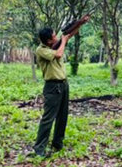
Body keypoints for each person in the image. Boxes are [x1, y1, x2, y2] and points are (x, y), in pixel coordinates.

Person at [32, 15, 90, 157]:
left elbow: (68, 35)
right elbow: (58, 54)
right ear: (48, 40)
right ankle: (39, 149)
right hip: (52, 87)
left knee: (62, 117)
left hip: (63, 85)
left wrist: (80, 23)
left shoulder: (54, 44)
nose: (56, 37)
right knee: (48, 118)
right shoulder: (41, 50)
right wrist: (63, 40)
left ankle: (57, 144)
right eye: (54, 36)